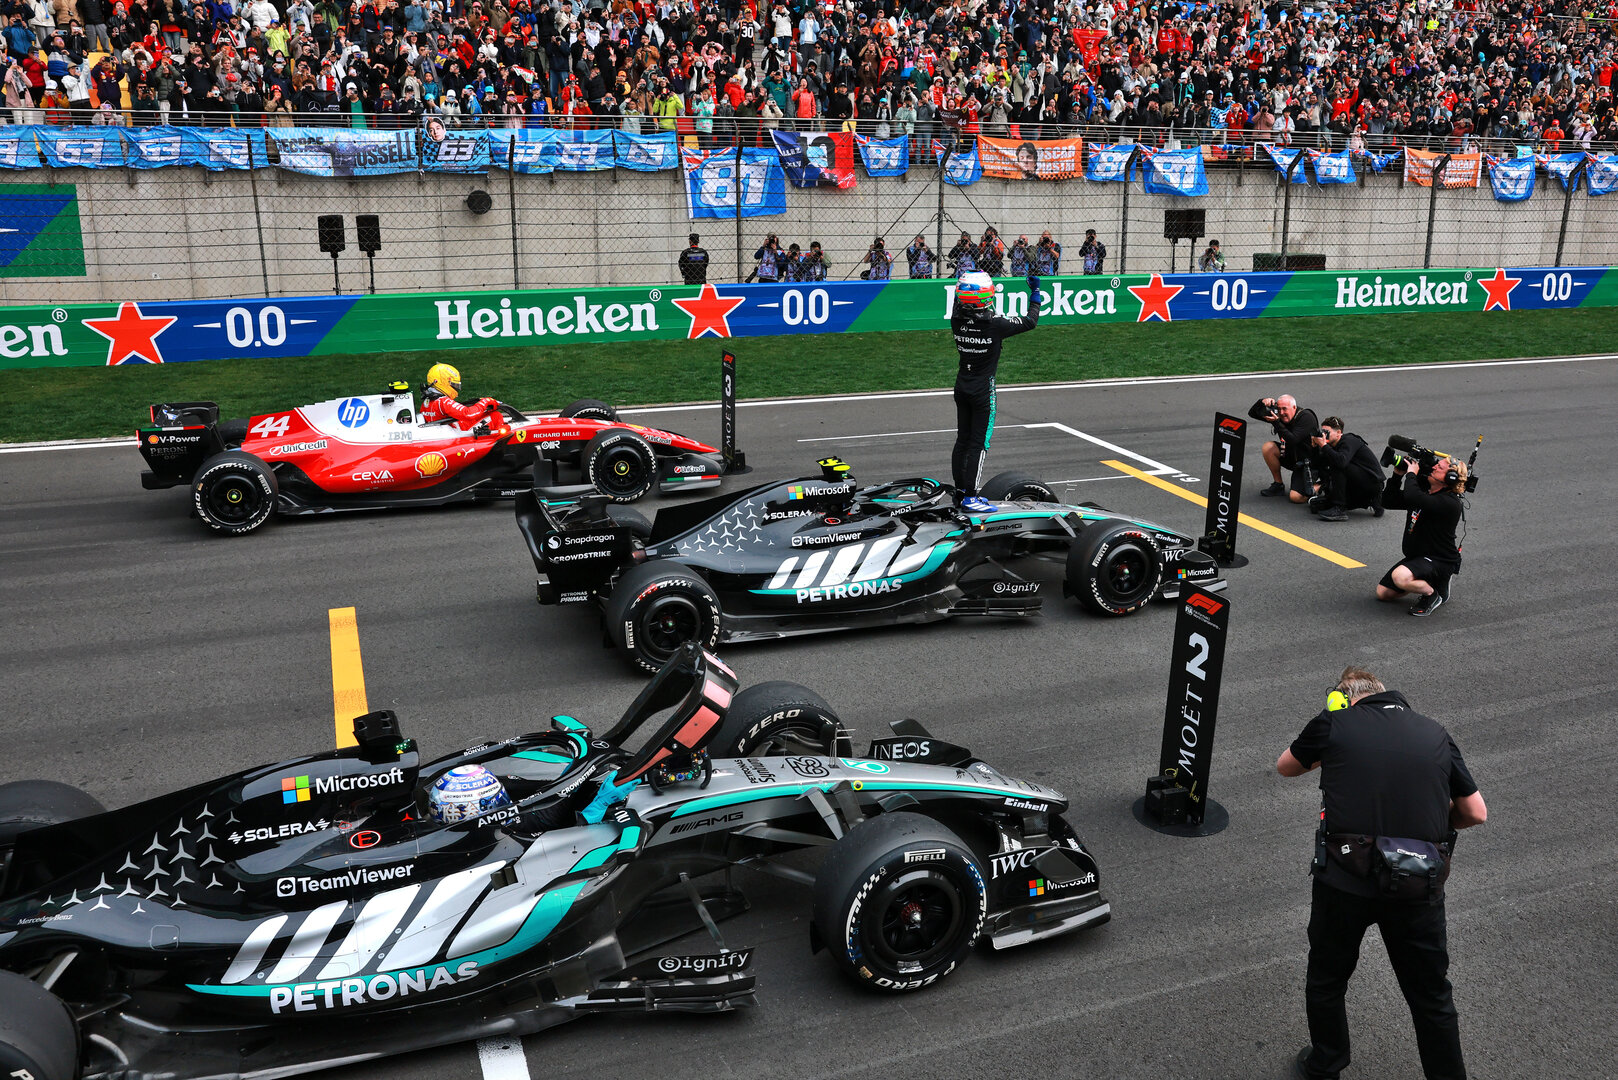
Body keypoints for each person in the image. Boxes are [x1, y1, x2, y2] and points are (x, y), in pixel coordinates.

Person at [1278, 666, 1486, 1079]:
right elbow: (1475, 812)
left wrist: (1331, 753)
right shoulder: (1437, 734)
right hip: (1416, 882)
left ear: (1343, 698)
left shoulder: (1334, 722)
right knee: (1431, 998)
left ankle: (1326, 1064)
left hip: (1344, 880)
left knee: (1328, 978)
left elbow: (1286, 767)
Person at [950, 269, 1039, 513]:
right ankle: (971, 496)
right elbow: (1031, 321)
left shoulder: (955, 320)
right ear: (987, 296)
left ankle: (959, 493)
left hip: (961, 386)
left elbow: (962, 305)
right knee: (979, 444)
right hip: (982, 391)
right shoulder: (995, 325)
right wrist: (1036, 292)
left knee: (962, 441)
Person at [1375, 451, 1468, 616]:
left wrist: (1411, 473)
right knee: (1383, 593)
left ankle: (1433, 594)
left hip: (1439, 559)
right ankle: (1424, 579)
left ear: (1449, 479)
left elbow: (1413, 496)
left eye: (1439, 467)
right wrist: (1397, 475)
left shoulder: (1450, 503)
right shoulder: (1425, 493)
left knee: (1400, 577)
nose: (1433, 467)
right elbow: (1387, 501)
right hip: (1418, 557)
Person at [1308, 417, 1384, 522]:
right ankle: (1372, 502)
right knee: (1319, 505)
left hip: (1372, 483)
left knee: (1338, 464)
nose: (1324, 435)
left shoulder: (1349, 440)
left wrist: (1324, 445)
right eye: (1322, 432)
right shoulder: (1331, 446)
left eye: (1326, 432)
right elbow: (1316, 464)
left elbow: (1341, 462)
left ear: (1338, 432)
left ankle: (1339, 509)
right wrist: (1315, 447)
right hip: (1357, 486)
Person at [1249, 394, 1320, 503]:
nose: (1281, 413)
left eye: (1284, 409)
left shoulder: (1306, 417)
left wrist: (1277, 423)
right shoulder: (1279, 416)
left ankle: (1324, 484)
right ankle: (1278, 485)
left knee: (1295, 497)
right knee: (1268, 448)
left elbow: (1293, 439)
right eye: (1279, 409)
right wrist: (1262, 402)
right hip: (1291, 457)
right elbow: (1252, 413)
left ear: (1294, 408)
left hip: (1308, 464)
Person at [420, 362, 501, 428]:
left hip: (442, 432)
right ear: (442, 382)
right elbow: (468, 414)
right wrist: (485, 402)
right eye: (453, 385)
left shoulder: (427, 400)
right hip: (453, 437)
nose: (455, 388)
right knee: (495, 416)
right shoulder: (443, 402)